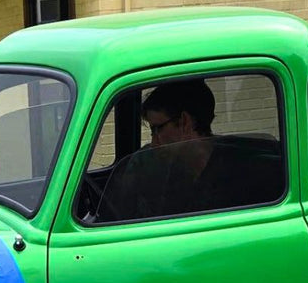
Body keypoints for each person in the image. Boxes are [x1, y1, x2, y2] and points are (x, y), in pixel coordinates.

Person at [99, 79, 265, 221]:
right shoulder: (157, 169)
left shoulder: (239, 175)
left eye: (158, 129)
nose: (154, 142)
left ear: (185, 122)